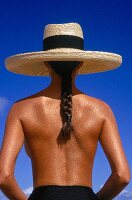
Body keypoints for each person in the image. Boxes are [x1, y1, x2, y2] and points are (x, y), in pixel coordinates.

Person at [0, 22, 130, 200]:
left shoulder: (21, 109)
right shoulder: (101, 110)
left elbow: (4, 177)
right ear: (81, 63)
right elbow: (122, 176)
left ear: (45, 62)